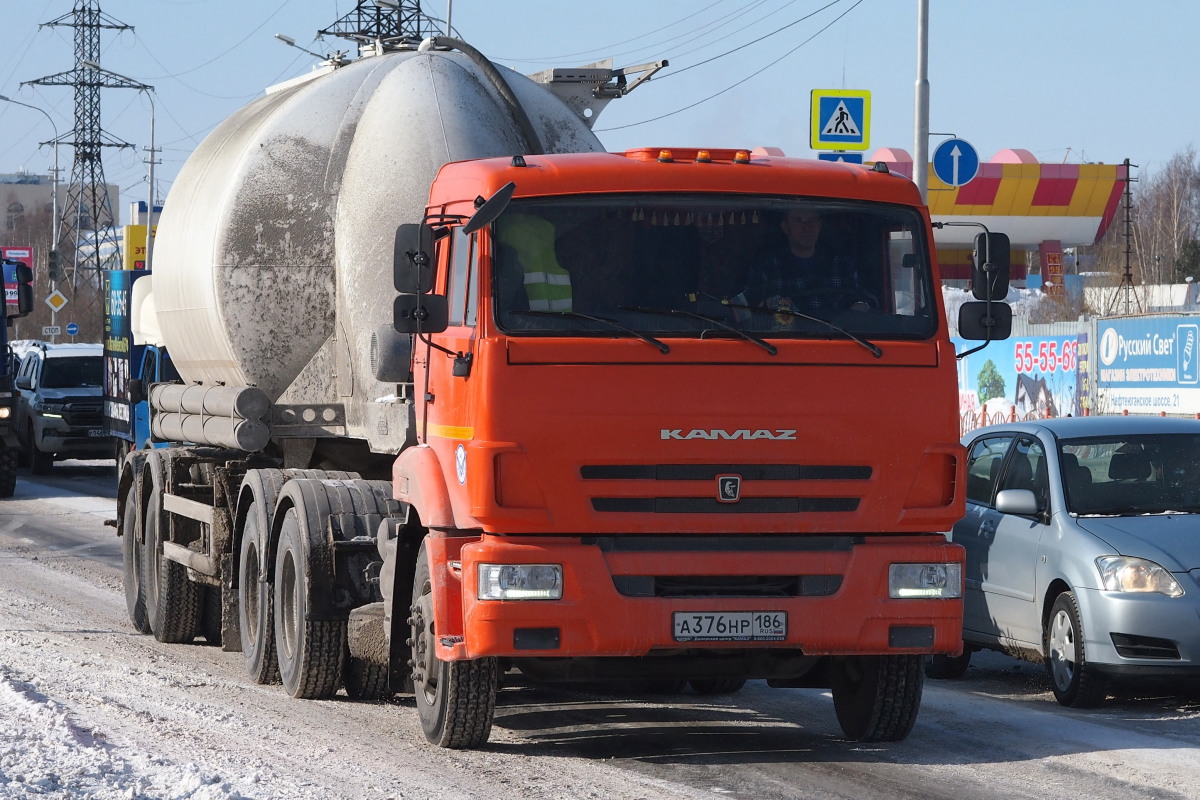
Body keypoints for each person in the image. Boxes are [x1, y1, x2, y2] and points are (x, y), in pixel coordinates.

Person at [744, 208, 872, 322]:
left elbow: (861, 298)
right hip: (782, 340)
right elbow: (748, 308)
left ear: (820, 225)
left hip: (838, 338)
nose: (807, 227)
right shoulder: (766, 264)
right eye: (799, 221)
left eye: (812, 220)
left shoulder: (842, 263)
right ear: (786, 227)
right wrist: (768, 304)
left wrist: (860, 305)